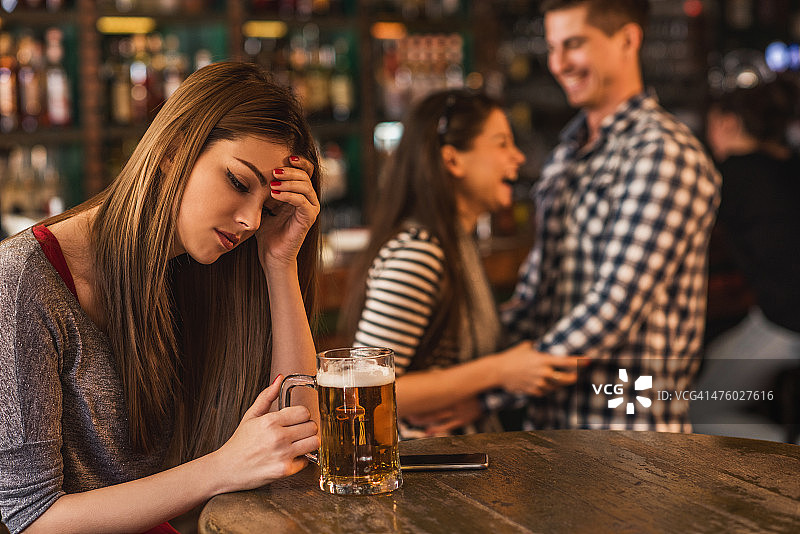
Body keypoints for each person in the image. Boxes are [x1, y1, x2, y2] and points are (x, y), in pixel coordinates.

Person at [0, 62, 321, 533]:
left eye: (269, 208)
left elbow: (296, 436)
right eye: (238, 182)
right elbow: (31, 518)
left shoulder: (206, 269)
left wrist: (280, 263)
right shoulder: (23, 279)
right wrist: (222, 468)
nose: (252, 221)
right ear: (174, 150)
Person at [497, 0, 721, 431]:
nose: (558, 64)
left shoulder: (663, 152)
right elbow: (534, 297)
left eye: (574, 44)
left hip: (629, 439)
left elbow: (612, 310)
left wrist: (487, 390)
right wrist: (457, 370)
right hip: (551, 428)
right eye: (552, 48)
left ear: (628, 40)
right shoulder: (567, 152)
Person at [339, 89, 581, 439]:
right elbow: (362, 389)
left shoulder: (455, 244)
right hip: (423, 464)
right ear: (453, 160)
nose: (518, 157)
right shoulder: (419, 253)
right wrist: (499, 371)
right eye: (501, 143)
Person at [691, 78, 800, 441]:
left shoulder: (733, 174)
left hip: (786, 320)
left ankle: (786, 457)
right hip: (775, 313)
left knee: (698, 409)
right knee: (719, 355)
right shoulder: (789, 163)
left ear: (727, 123)